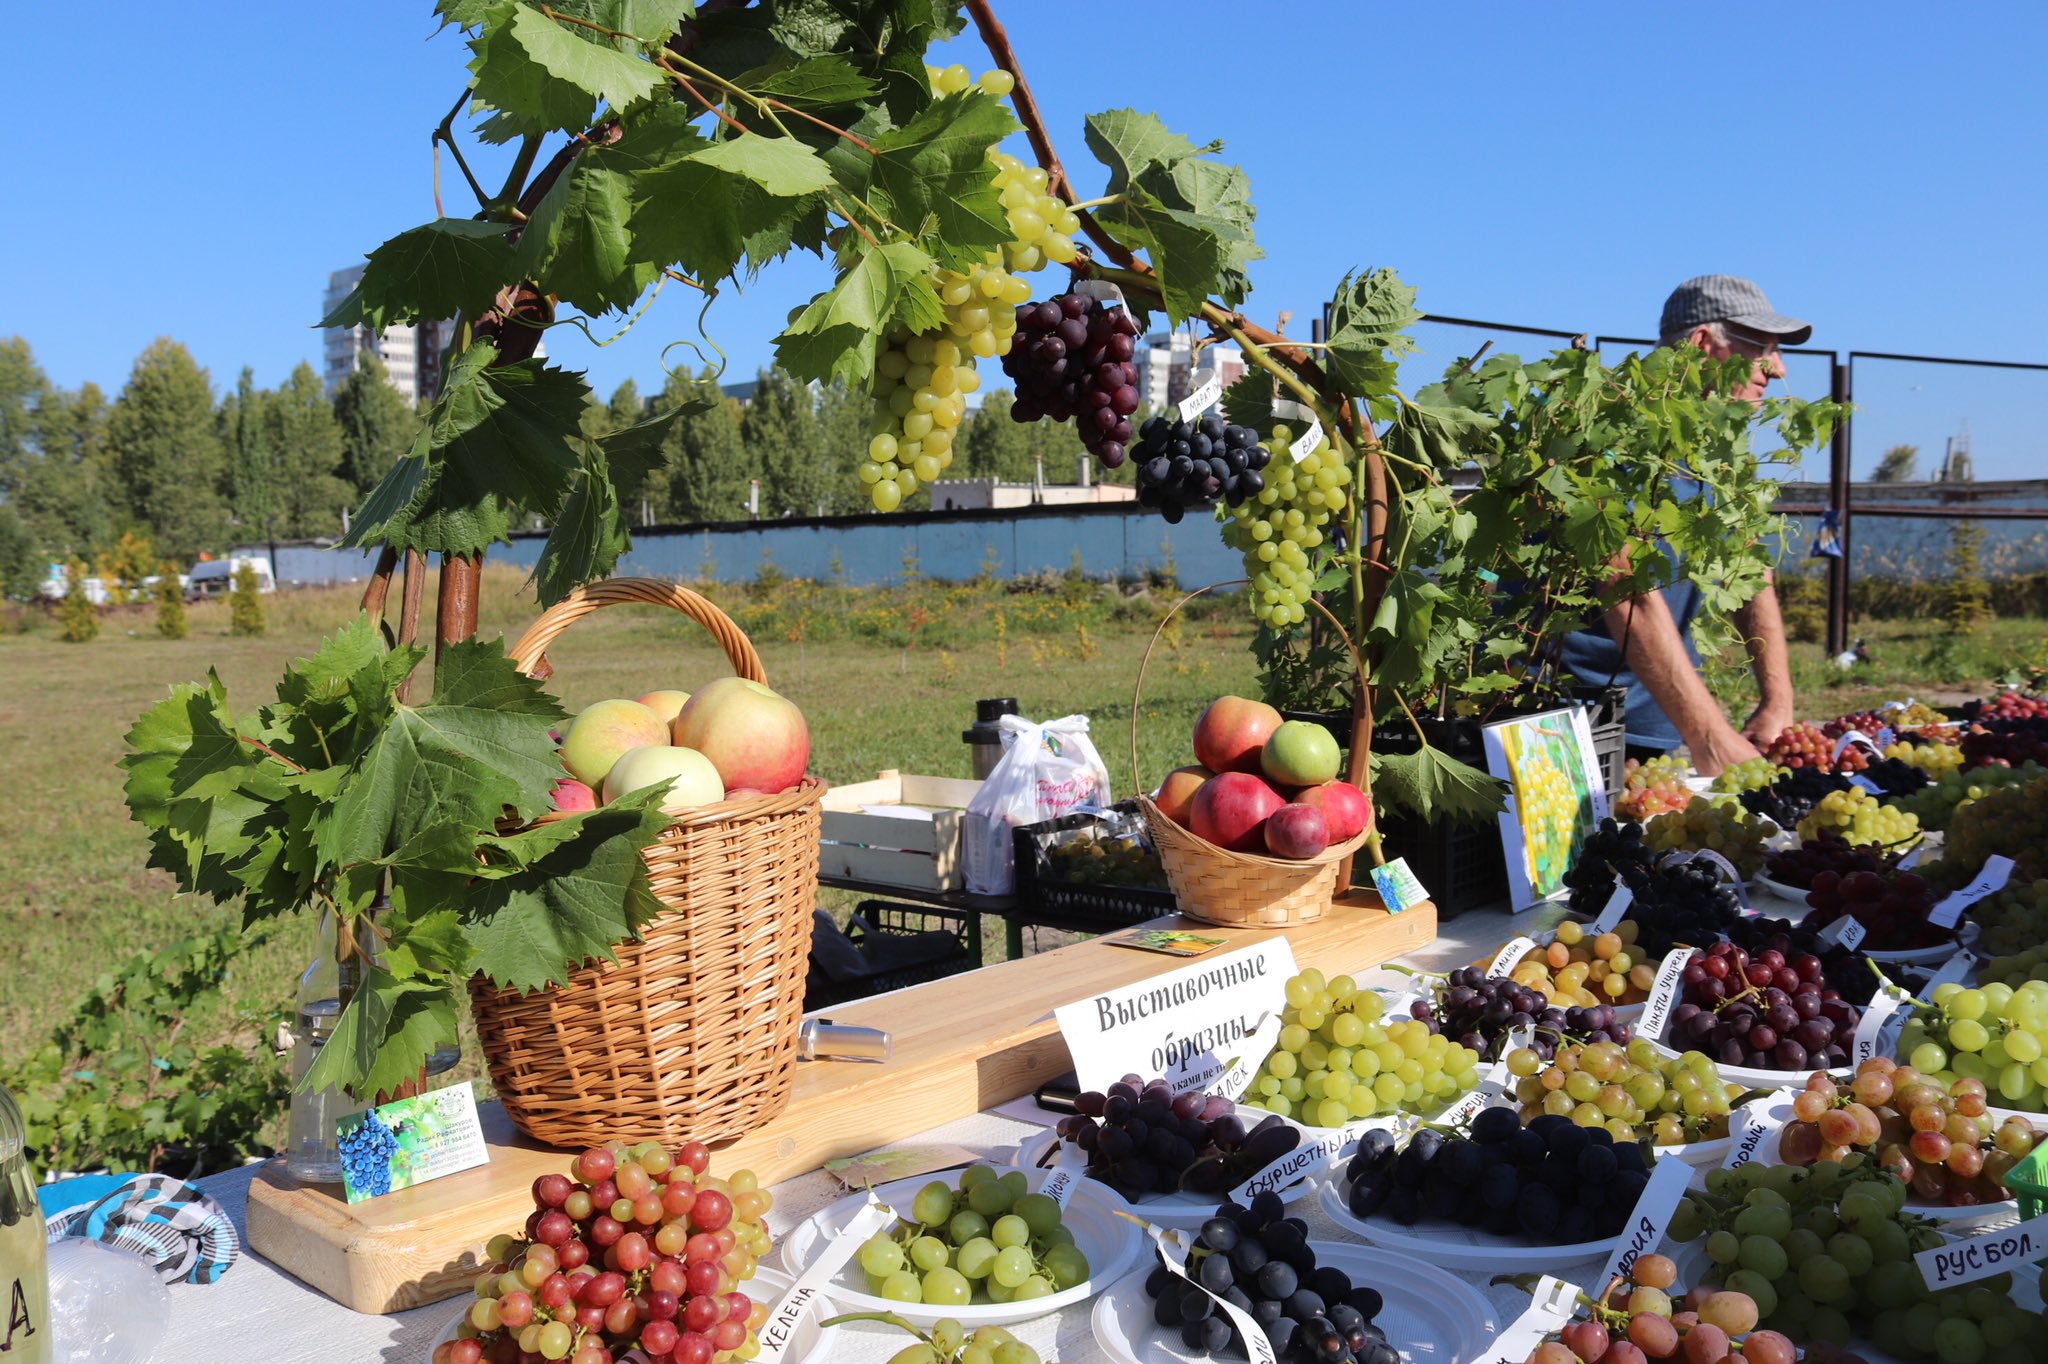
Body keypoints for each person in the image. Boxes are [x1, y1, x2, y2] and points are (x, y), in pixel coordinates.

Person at [1558, 275, 1808, 777]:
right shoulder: (1619, 434)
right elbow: (1623, 586)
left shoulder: (1719, 449)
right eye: (1761, 348)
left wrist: (1777, 702)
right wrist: (1711, 737)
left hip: (1663, 722)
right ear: (1700, 344)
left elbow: (1750, 567)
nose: (1776, 369)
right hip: (1570, 726)